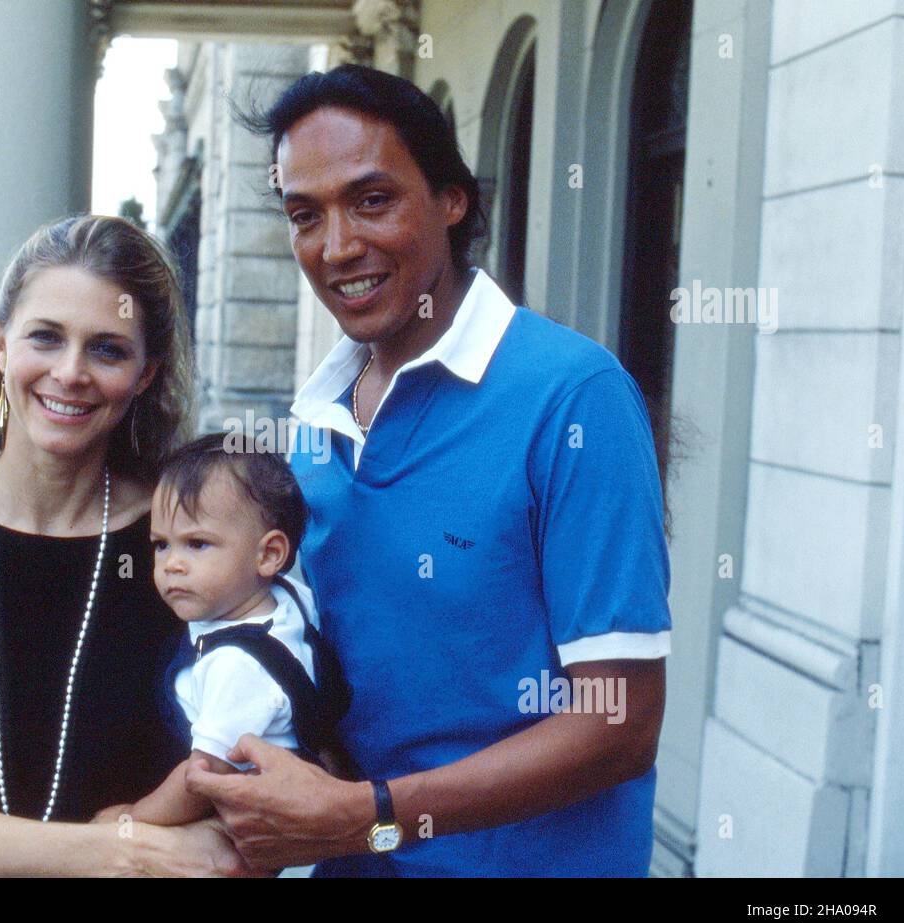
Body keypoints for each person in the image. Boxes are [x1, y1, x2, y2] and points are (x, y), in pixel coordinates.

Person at [183, 64, 671, 876]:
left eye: (372, 200)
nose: (337, 247)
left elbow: (619, 723)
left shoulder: (573, 396)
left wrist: (368, 816)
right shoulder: (315, 422)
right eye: (306, 215)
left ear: (452, 200)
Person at [0, 215, 254, 877]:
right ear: (2, 345)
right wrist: (128, 850)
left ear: (146, 373)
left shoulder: (192, 559)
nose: (70, 372)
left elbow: (242, 790)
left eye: (108, 350)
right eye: (45, 338)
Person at [90, 433, 345, 830]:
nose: (172, 563)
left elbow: (203, 777)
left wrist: (131, 820)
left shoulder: (235, 667)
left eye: (197, 543)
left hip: (240, 828)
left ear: (268, 555)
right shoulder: (289, 598)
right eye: (161, 545)